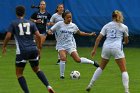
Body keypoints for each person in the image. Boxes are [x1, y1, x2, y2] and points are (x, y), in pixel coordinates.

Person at [2, 5, 55, 93]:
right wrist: (39, 48)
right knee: (37, 69)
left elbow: (8, 36)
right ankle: (48, 86)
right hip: (33, 49)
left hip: (22, 51)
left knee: (19, 74)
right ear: (24, 13)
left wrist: (4, 46)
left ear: (16, 13)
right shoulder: (31, 23)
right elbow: (38, 35)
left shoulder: (13, 23)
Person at [86, 10, 129, 93]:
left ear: (112, 17)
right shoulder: (124, 27)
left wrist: (94, 49)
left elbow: (98, 38)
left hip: (106, 47)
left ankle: (90, 85)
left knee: (101, 67)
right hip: (116, 48)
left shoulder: (107, 25)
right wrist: (123, 42)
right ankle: (126, 90)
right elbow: (126, 41)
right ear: (119, 16)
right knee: (123, 70)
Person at [48, 10, 99, 79]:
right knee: (63, 58)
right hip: (61, 45)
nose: (69, 19)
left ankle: (93, 62)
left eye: (70, 17)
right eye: (68, 17)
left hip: (70, 45)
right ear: (64, 18)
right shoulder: (59, 24)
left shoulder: (73, 26)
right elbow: (50, 30)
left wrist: (89, 34)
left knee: (78, 60)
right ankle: (62, 76)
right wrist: (49, 32)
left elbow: (80, 32)